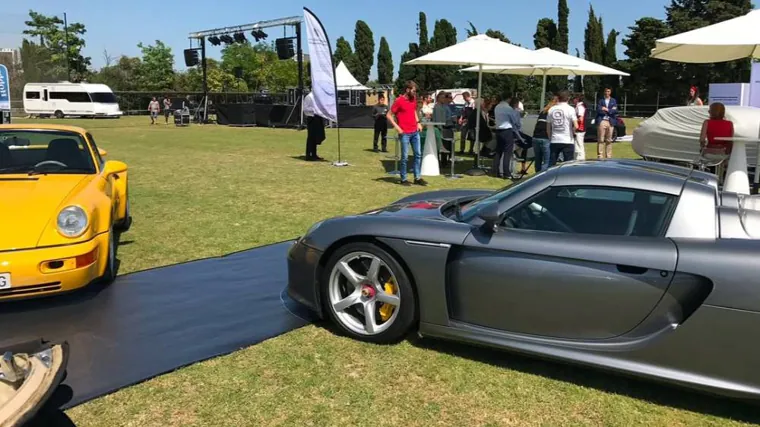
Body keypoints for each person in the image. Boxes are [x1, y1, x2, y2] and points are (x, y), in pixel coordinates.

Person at [387, 81, 426, 186]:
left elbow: (413, 111)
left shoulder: (413, 99)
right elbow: (389, 115)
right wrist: (398, 128)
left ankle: (417, 177)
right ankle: (403, 179)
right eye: (413, 90)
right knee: (404, 157)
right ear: (407, 89)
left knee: (418, 154)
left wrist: (418, 123)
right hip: (405, 133)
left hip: (414, 131)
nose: (414, 93)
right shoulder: (399, 101)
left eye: (415, 91)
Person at [699, 102, 734, 180]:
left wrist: (702, 146)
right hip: (724, 152)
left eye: (710, 110)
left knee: (705, 158)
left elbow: (702, 139)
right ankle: (721, 178)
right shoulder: (729, 124)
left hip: (709, 152)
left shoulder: (707, 122)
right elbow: (731, 140)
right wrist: (728, 152)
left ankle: (708, 178)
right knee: (722, 161)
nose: (708, 112)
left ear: (712, 112)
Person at [493, 95, 524, 179]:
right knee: (507, 152)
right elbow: (514, 121)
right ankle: (506, 172)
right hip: (506, 130)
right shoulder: (508, 108)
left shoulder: (497, 107)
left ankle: (495, 171)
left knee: (498, 151)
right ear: (508, 98)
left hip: (498, 130)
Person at [547, 90, 577, 166]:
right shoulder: (570, 109)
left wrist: (550, 137)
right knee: (568, 164)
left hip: (555, 139)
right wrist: (573, 132)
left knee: (552, 163)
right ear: (568, 98)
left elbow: (548, 127)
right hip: (567, 140)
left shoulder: (551, 109)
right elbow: (576, 125)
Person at [532, 96, 556, 172]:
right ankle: (542, 177)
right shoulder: (553, 112)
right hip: (545, 137)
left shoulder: (543, 111)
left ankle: (536, 176)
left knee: (538, 159)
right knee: (547, 161)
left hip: (536, 137)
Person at [303, 92, 325, 161]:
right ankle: (308, 155)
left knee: (317, 136)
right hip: (312, 117)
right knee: (311, 137)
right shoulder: (309, 97)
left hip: (318, 117)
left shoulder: (318, 96)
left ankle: (314, 154)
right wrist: (315, 110)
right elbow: (305, 109)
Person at [596, 87, 617, 159]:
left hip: (610, 122)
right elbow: (599, 110)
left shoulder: (613, 101)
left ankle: (609, 156)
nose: (607, 93)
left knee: (609, 140)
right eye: (606, 91)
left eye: (608, 91)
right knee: (601, 139)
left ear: (610, 92)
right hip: (602, 121)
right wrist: (609, 110)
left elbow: (614, 111)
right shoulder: (601, 100)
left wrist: (606, 109)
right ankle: (600, 156)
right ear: (604, 92)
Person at [574, 95, 587, 160]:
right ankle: (578, 158)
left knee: (579, 145)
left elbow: (580, 118)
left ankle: (580, 159)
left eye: (574, 99)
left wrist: (574, 122)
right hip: (580, 128)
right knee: (578, 145)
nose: (573, 100)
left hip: (580, 129)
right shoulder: (579, 106)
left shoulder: (580, 107)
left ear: (577, 99)